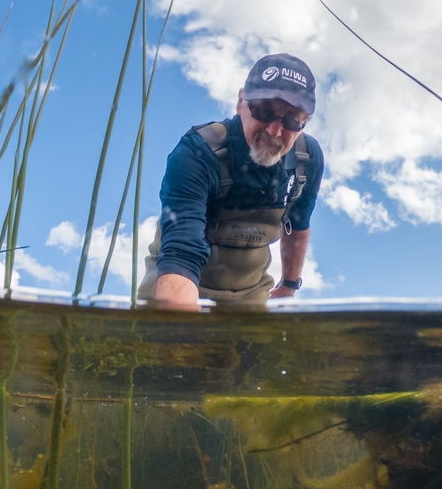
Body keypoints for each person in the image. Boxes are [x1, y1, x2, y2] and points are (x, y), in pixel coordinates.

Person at [138, 53, 324, 307]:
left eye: (292, 120)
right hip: (176, 286)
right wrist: (180, 338)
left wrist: (289, 286)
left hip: (250, 295)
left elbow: (298, 226)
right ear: (240, 102)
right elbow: (181, 254)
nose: (274, 132)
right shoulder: (197, 153)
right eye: (264, 111)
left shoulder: (307, 160)